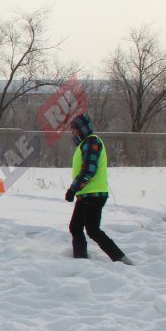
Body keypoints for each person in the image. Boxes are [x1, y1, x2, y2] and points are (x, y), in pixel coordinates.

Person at [65, 113, 133, 264]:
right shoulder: (84, 144)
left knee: (93, 230)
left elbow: (89, 169)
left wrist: (73, 189)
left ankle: (122, 260)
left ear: (81, 128)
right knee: (75, 227)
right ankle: (80, 259)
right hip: (86, 194)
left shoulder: (92, 142)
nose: (73, 132)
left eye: (74, 129)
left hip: (94, 195)